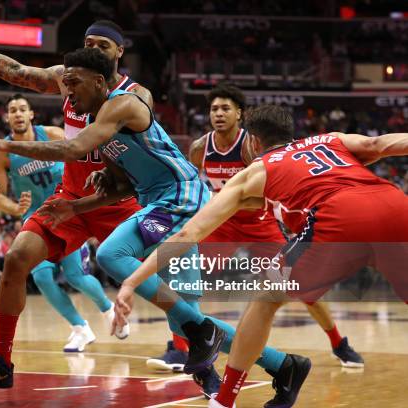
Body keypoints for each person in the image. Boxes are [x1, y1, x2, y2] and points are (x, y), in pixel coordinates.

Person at [113, 104, 408, 408]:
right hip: (395, 204)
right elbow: (379, 144)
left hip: (339, 217)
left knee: (264, 298)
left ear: (252, 141)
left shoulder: (256, 170)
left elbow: (187, 233)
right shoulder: (330, 139)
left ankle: (224, 399)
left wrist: (132, 282)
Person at [0, 6, 146, 389]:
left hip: (120, 200)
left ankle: (188, 347)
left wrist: (3, 144)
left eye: (103, 45)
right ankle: (2, 363)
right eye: (89, 44)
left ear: (119, 52)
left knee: (165, 267)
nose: (95, 50)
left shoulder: (133, 97)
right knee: (18, 258)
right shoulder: (66, 80)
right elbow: (16, 71)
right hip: (70, 199)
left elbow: (82, 151)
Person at [183, 84, 363, 370]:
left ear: (239, 114)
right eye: (214, 108)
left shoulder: (249, 146)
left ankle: (339, 343)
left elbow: (269, 191)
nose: (218, 114)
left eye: (225, 108)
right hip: (225, 224)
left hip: (260, 222)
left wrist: (233, 201)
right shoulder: (199, 148)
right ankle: (178, 348)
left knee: (302, 285)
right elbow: (193, 186)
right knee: (182, 275)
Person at [0, 93, 116, 352]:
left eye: (21, 109)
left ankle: (107, 308)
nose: (17, 113)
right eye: (12, 110)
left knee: (76, 277)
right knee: (43, 279)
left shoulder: (53, 134)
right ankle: (80, 328)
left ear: (31, 114)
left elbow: (83, 160)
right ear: (7, 117)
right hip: (37, 218)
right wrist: (16, 207)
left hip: (67, 212)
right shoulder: (1, 152)